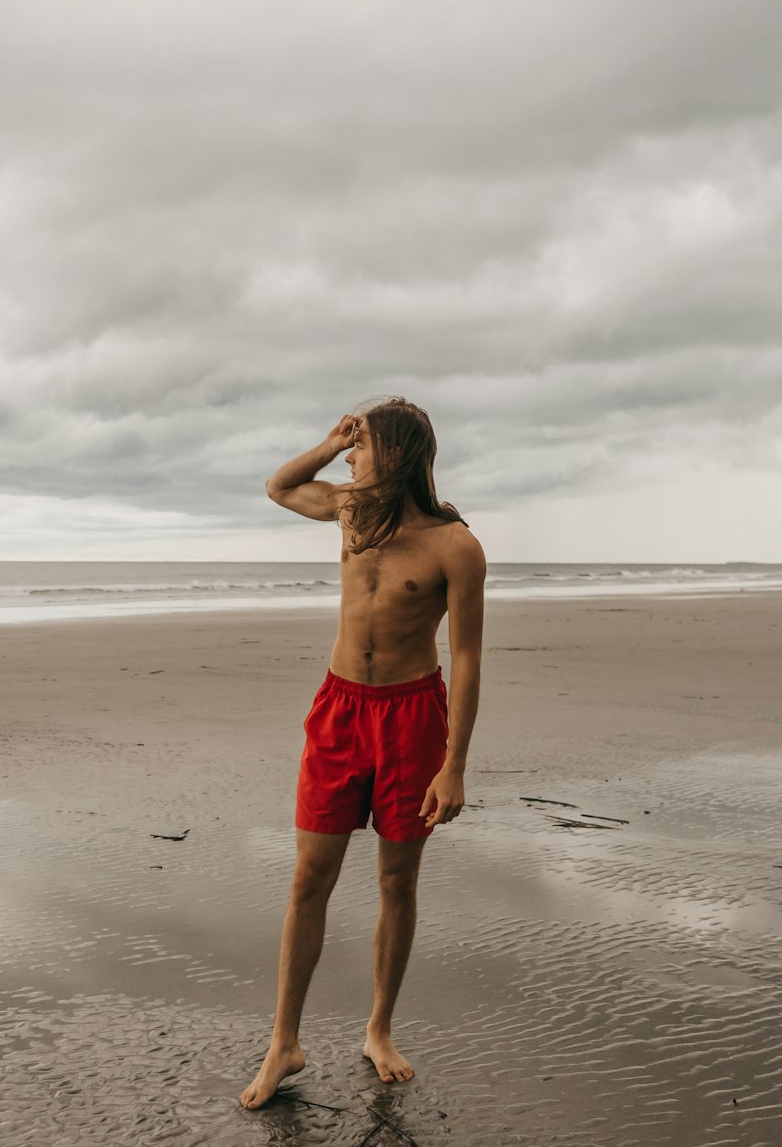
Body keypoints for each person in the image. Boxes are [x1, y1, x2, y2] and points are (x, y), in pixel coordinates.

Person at [239, 397, 486, 1110]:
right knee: (308, 880)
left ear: (398, 454)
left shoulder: (455, 546)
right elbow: (279, 488)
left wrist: (455, 763)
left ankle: (378, 1029)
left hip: (413, 720)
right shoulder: (350, 511)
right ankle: (284, 1040)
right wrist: (327, 441)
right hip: (340, 712)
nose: (351, 456)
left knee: (397, 883)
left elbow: (466, 660)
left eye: (361, 443)